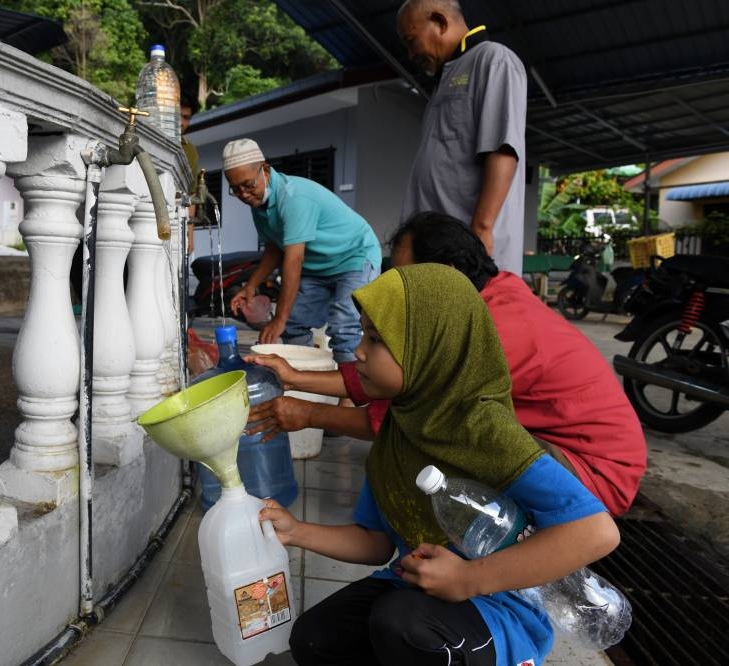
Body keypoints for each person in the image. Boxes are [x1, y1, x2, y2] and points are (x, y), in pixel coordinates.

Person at [260, 263, 620, 665]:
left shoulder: (485, 432)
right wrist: (297, 532)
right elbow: (376, 541)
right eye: (364, 334)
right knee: (316, 638)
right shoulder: (401, 424)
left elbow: (595, 532)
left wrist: (469, 578)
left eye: (376, 339)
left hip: (499, 607)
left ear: (430, 348)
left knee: (403, 626)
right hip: (418, 589)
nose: (359, 351)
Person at [249, 211, 646, 516]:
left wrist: (307, 414)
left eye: (410, 278)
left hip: (591, 475)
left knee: (431, 437)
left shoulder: (491, 328)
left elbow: (407, 419)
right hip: (568, 452)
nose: (400, 292)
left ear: (448, 276)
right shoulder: (486, 297)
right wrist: (296, 377)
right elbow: (385, 374)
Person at [222, 138, 381, 361]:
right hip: (319, 268)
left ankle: (350, 393)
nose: (244, 195)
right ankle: (307, 382)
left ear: (265, 170)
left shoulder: (294, 197)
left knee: (344, 326)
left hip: (354, 257)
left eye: (248, 185)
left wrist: (279, 317)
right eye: (236, 190)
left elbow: (293, 261)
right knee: (295, 324)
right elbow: (274, 249)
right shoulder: (259, 205)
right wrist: (251, 286)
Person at [398, 0, 527, 275]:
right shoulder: (444, 79)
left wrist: (480, 233)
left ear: (440, 22)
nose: (410, 54)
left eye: (411, 41)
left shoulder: (492, 59)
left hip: (468, 254)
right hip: (436, 250)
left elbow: (502, 149)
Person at [181, 100, 200, 255]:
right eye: (177, 116)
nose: (181, 122)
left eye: (186, 117)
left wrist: (190, 235)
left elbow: (191, 196)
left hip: (176, 222)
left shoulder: (190, 150)